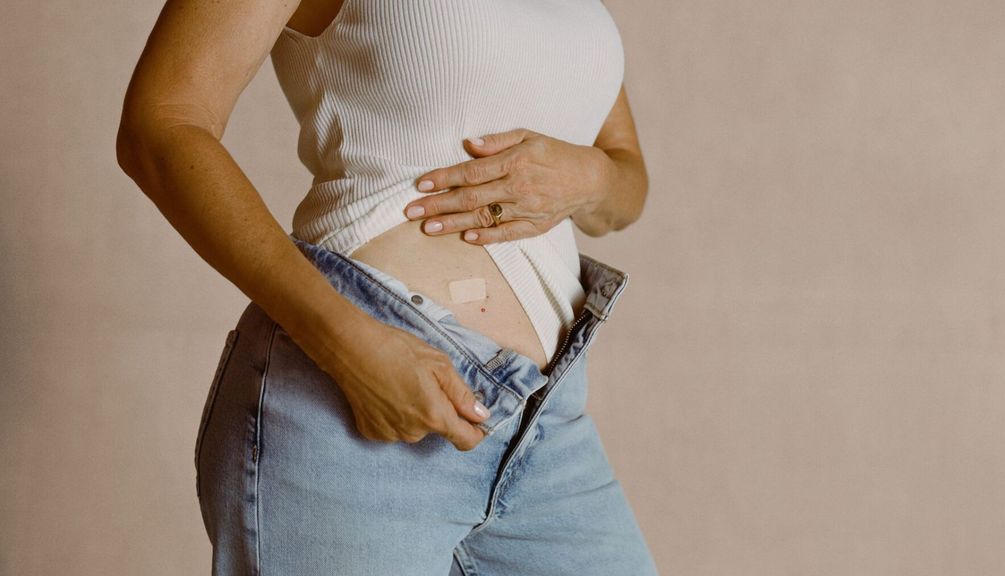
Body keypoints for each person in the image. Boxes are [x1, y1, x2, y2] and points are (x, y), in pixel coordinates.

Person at [116, 0, 658, 574]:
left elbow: (625, 183)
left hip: (545, 414)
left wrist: (592, 177)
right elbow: (162, 123)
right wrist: (347, 346)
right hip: (354, 399)